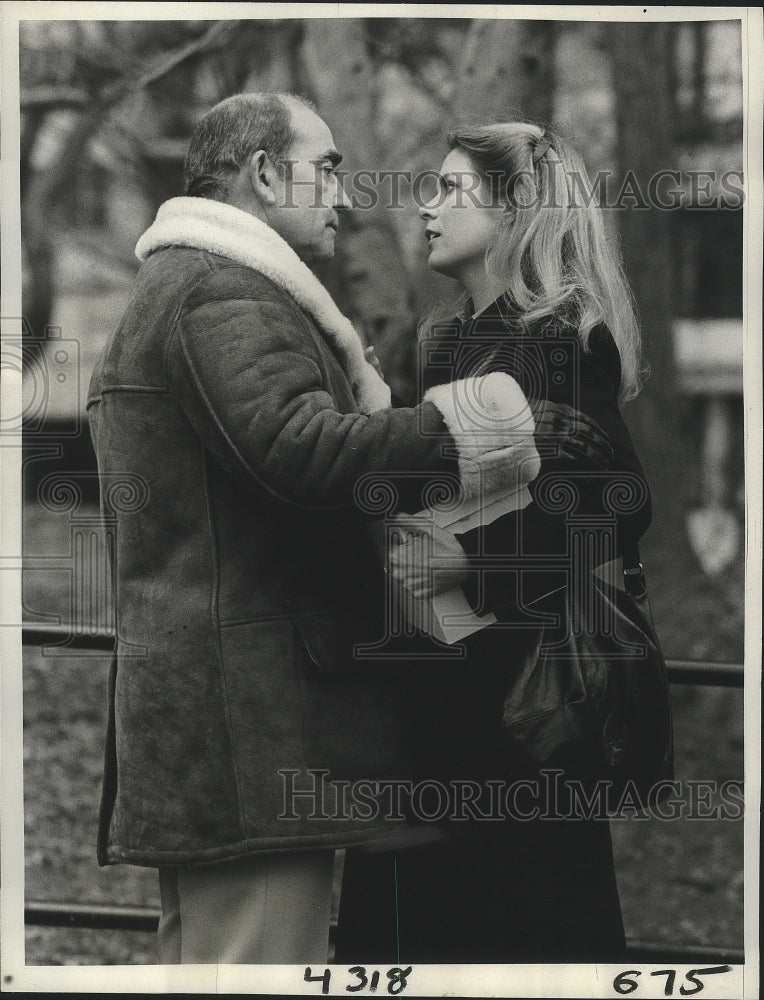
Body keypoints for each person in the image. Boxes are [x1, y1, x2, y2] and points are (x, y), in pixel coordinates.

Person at [86, 93, 539, 965]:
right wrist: (473, 425)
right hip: (250, 734)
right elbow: (299, 450)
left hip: (215, 730)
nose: (345, 194)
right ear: (262, 173)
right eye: (326, 167)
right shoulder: (223, 290)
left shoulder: (181, 286)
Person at [334, 122, 654, 963]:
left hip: (520, 719)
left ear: (515, 208)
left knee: (514, 943)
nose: (427, 207)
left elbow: (620, 508)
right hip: (439, 699)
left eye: (451, 190)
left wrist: (480, 564)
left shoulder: (560, 334)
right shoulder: (450, 340)